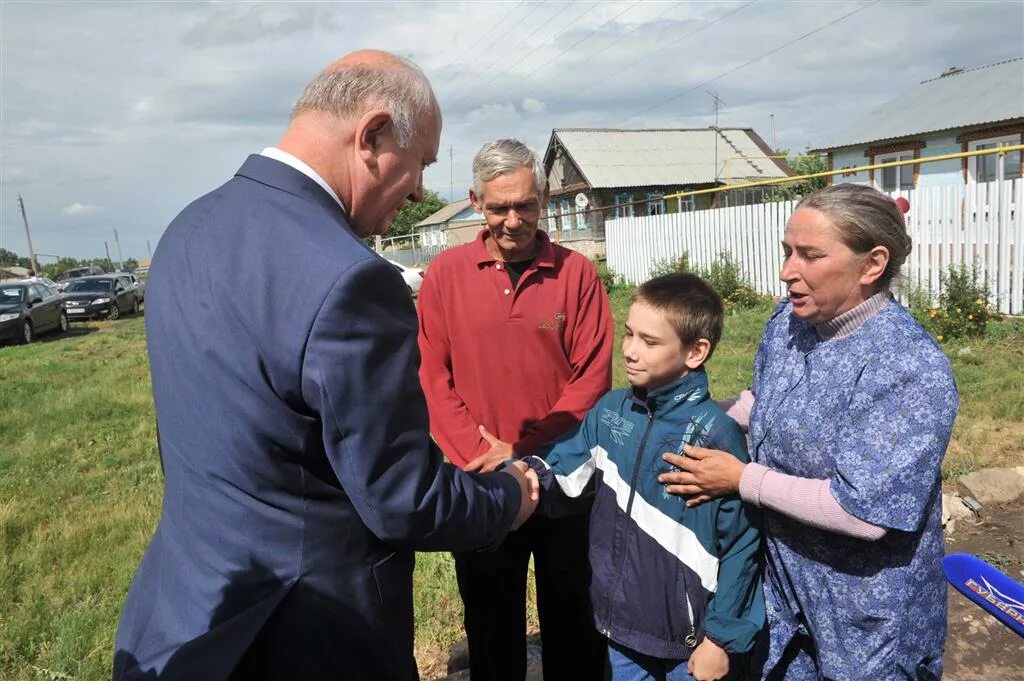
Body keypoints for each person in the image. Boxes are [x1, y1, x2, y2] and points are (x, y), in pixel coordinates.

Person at [113, 51, 539, 681]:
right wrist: (509, 496)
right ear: (371, 137)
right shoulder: (350, 279)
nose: (422, 189)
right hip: (309, 635)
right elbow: (403, 499)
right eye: (420, 161)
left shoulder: (188, 228)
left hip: (187, 617)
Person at [658, 184, 958, 680]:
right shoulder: (790, 324)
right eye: (787, 251)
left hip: (866, 618)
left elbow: (863, 513)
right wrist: (700, 416)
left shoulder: (907, 367)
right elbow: (766, 401)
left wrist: (741, 479)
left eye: (810, 255)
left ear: (872, 264)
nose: (787, 271)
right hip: (785, 595)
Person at [417, 138, 614, 680]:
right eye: (499, 206)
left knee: (575, 622)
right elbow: (433, 378)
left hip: (567, 482)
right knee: (489, 623)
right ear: (475, 200)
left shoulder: (576, 275)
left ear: (544, 199)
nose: (512, 219)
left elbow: (591, 381)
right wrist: (487, 458)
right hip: (482, 483)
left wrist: (528, 454)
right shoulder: (445, 275)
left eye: (524, 205)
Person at [514, 272, 764, 681]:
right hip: (621, 627)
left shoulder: (713, 436)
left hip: (691, 643)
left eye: (649, 342)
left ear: (696, 352)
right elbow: (565, 466)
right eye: (629, 334)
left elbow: (742, 545)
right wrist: (522, 476)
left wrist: (720, 638)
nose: (630, 351)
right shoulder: (610, 411)